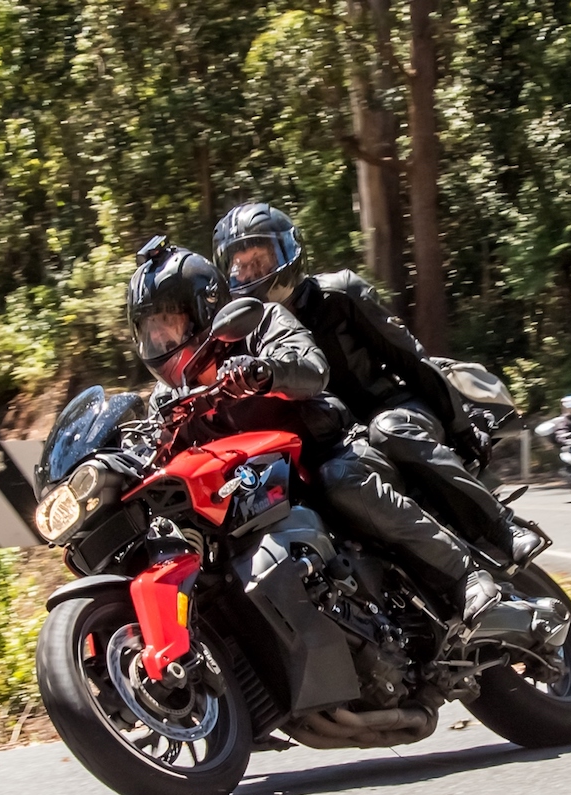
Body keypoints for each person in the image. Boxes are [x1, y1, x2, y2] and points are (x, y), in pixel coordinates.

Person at [127, 236, 503, 627]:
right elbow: (154, 445)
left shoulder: (261, 323)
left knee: (341, 480)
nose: (161, 341)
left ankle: (465, 575)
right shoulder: (168, 398)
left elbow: (311, 368)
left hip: (329, 451)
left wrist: (265, 372)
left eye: (168, 326)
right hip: (260, 496)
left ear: (204, 307)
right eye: (151, 332)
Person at [211, 203, 542, 571]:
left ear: (288, 253)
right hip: (334, 447)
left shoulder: (339, 294)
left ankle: (501, 526)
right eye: (241, 264)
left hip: (393, 411)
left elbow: (411, 358)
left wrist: (462, 426)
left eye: (260, 259)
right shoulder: (240, 342)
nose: (251, 272)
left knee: (388, 432)